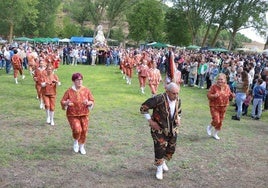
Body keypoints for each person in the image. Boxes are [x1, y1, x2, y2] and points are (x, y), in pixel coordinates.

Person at [140, 82, 182, 180]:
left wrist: (178, 118)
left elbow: (179, 112)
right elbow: (143, 108)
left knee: (171, 148)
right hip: (159, 130)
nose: (176, 96)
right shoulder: (158, 99)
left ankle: (163, 162)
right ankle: (159, 168)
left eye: (177, 93)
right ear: (167, 92)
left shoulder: (178, 100)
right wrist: (151, 121)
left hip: (172, 129)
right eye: (173, 93)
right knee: (160, 148)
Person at [60, 73, 95, 155]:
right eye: (77, 80)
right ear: (73, 81)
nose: (79, 82)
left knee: (84, 130)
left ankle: (82, 146)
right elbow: (62, 101)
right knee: (77, 129)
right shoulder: (69, 91)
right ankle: (76, 141)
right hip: (72, 114)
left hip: (84, 113)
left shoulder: (86, 90)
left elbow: (92, 100)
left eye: (80, 80)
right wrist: (66, 103)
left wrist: (88, 103)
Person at [207, 73, 234, 140]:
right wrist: (213, 96)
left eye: (221, 79)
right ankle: (210, 127)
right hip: (214, 106)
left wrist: (232, 96)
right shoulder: (213, 87)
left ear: (225, 80)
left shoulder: (227, 87)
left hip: (224, 106)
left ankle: (215, 133)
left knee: (220, 121)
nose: (220, 81)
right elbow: (208, 95)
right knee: (216, 120)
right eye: (218, 79)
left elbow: (229, 95)